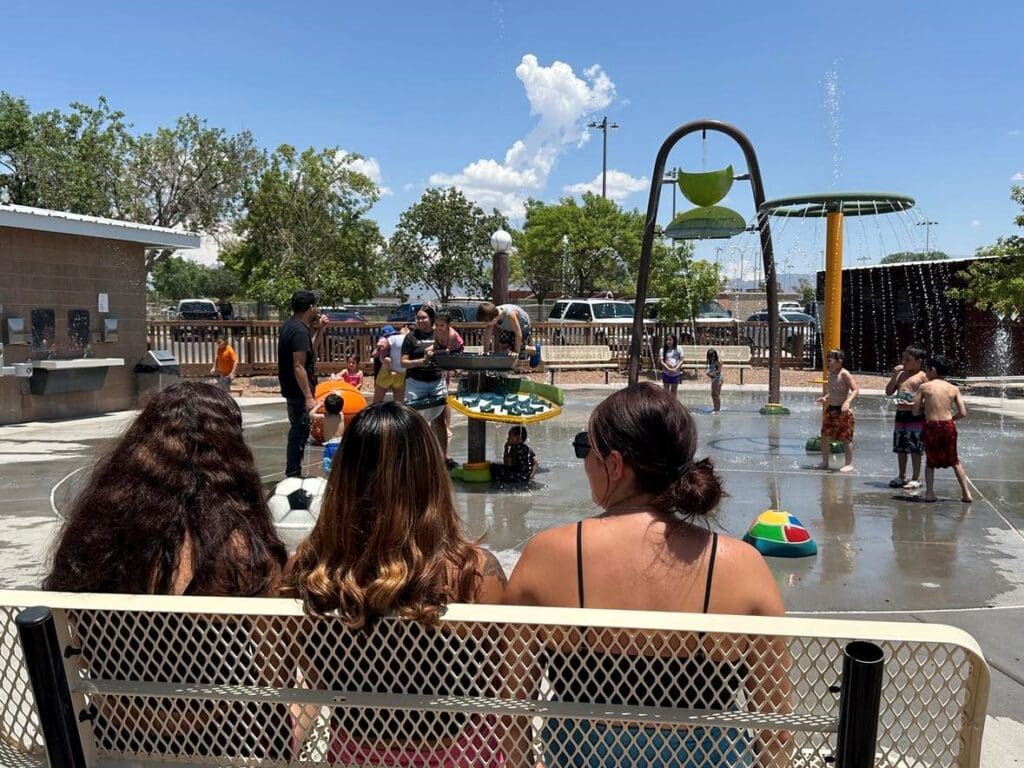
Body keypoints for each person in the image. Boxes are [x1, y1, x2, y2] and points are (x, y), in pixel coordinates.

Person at [503, 384, 789, 768]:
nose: (584, 462)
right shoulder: (741, 565)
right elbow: (777, 727)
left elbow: (509, 710)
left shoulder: (548, 555)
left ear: (616, 465)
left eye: (586, 449)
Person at [44, 381, 290, 756]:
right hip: (220, 739)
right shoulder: (241, 551)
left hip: (114, 734)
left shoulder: (96, 535)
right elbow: (276, 668)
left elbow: (77, 643)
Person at [282, 401, 507, 765]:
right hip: (458, 754)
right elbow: (495, 678)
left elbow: (315, 676)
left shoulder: (308, 570)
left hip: (355, 753)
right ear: (430, 475)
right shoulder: (473, 572)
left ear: (345, 476)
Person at [278, 290, 329, 477]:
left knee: (300, 430)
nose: (316, 308)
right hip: (298, 391)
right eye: (315, 305)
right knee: (299, 431)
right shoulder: (299, 330)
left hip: (293, 389)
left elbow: (310, 351)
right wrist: (308, 396)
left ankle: (294, 470)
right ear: (310, 308)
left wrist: (321, 329)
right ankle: (293, 472)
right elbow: (298, 365)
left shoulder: (293, 326)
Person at [913, 354, 972, 503]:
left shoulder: (924, 387)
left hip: (931, 426)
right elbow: (963, 413)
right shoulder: (953, 388)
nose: (925, 373)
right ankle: (966, 493)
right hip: (948, 426)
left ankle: (930, 493)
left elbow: (914, 411)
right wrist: (951, 419)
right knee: (954, 460)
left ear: (933, 370)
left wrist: (922, 409)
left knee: (930, 461)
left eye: (926, 370)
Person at [401, 305, 450, 455]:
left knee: (439, 421)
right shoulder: (411, 337)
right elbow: (403, 362)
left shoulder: (440, 334)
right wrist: (420, 361)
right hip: (416, 383)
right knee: (412, 421)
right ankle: (414, 455)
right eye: (418, 318)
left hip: (436, 381)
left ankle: (444, 458)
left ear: (432, 319)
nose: (420, 321)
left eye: (423, 318)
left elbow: (450, 349)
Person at [885, 345, 928, 489]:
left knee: (915, 447)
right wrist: (894, 376)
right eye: (903, 359)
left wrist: (916, 404)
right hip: (901, 414)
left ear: (918, 361)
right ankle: (901, 475)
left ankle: (916, 477)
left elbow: (929, 397)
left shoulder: (922, 376)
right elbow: (889, 391)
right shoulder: (901, 375)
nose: (904, 362)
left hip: (915, 415)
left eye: (908, 359)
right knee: (900, 446)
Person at [814, 349, 859, 472]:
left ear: (839, 361)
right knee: (824, 435)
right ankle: (825, 461)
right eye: (827, 359)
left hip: (843, 410)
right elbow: (834, 389)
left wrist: (847, 401)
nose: (828, 361)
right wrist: (825, 397)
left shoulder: (845, 374)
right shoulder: (831, 373)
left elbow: (855, 389)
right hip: (831, 409)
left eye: (831, 359)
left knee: (846, 437)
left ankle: (849, 463)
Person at [478, 301, 542, 367]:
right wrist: (485, 351)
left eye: (486, 323)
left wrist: (516, 352)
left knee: (516, 347)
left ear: (494, 319)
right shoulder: (491, 314)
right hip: (508, 327)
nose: (486, 325)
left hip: (522, 326)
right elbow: (487, 334)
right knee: (503, 346)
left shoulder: (510, 315)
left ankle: (534, 350)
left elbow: (518, 334)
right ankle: (504, 369)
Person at [373, 325, 407, 404]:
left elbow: (375, 354)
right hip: (400, 372)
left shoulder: (391, 339)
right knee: (399, 404)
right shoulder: (407, 339)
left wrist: (378, 349)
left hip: (387, 371)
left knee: (377, 402)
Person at [707, 348, 724, 412]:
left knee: (716, 394)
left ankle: (717, 409)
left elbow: (719, 371)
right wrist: (709, 374)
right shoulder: (711, 361)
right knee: (713, 394)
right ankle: (715, 408)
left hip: (718, 378)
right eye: (710, 356)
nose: (712, 358)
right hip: (714, 378)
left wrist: (711, 373)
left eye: (713, 356)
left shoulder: (718, 361)